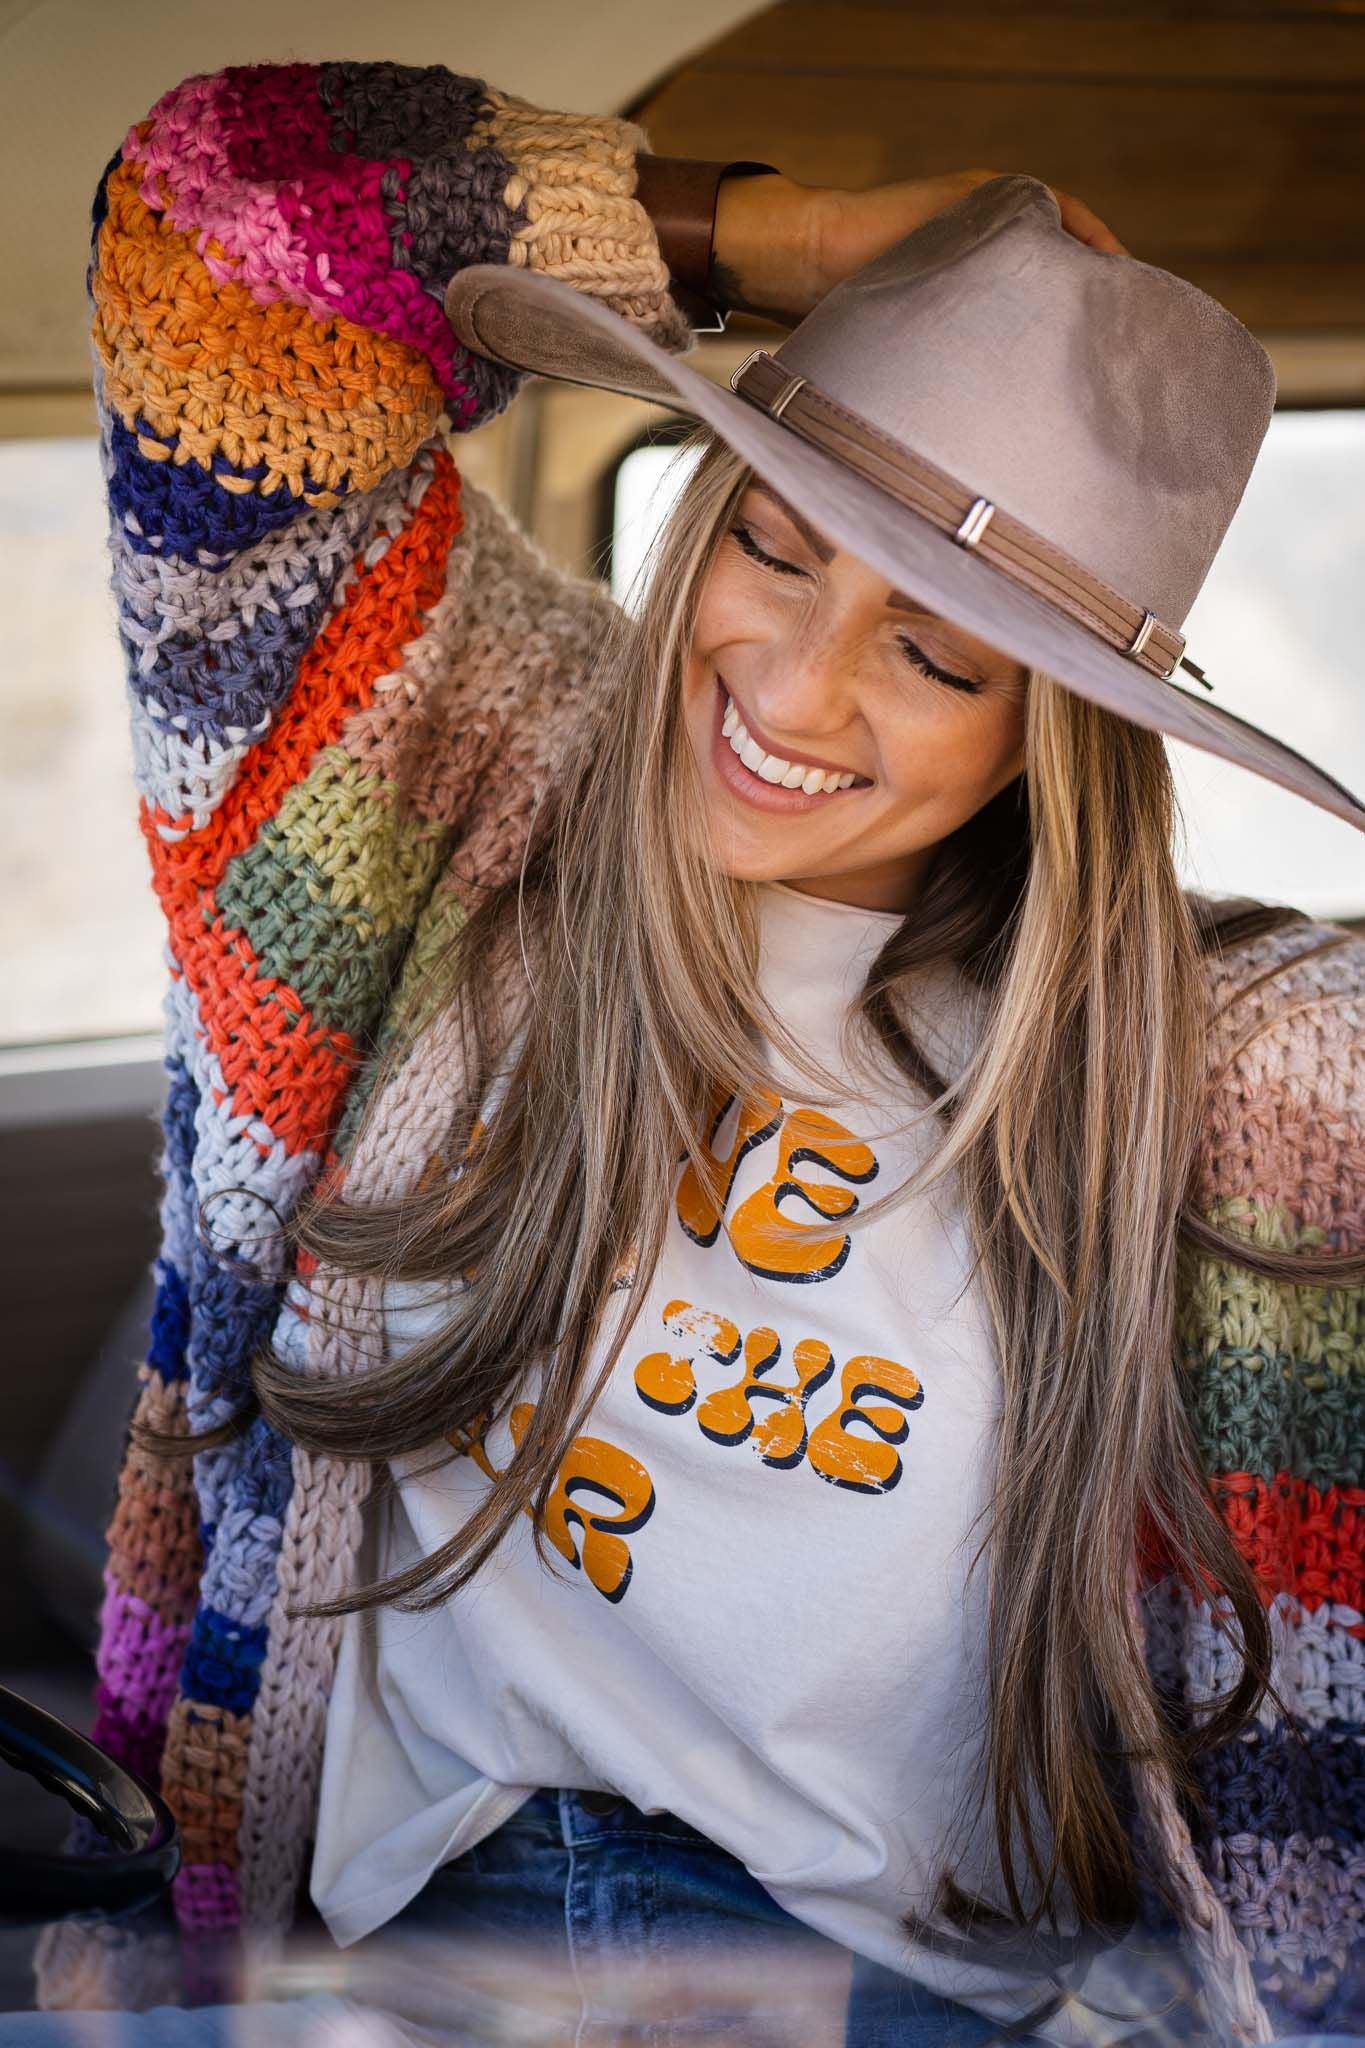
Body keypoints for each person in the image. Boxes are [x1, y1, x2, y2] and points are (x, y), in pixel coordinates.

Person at [17, 53, 1364, 2048]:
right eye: (774, 540)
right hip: (385, 1959)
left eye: (931, 653)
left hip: (899, 1991)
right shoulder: (461, 781)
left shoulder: (1245, 1070)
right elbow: (216, 237)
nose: (793, 686)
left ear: (1042, 735)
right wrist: (802, 237)